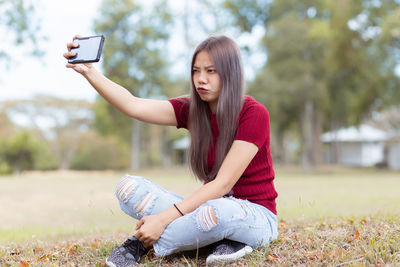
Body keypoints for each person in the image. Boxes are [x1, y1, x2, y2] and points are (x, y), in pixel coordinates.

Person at [64, 35, 278, 266]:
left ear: (230, 73)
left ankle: (139, 243)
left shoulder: (254, 113)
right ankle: (211, 240)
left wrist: (162, 220)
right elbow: (133, 105)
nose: (201, 79)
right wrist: (89, 72)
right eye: (196, 71)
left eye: (211, 71)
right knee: (128, 188)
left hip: (253, 215)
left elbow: (223, 185)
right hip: (207, 211)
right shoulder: (192, 110)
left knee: (217, 212)